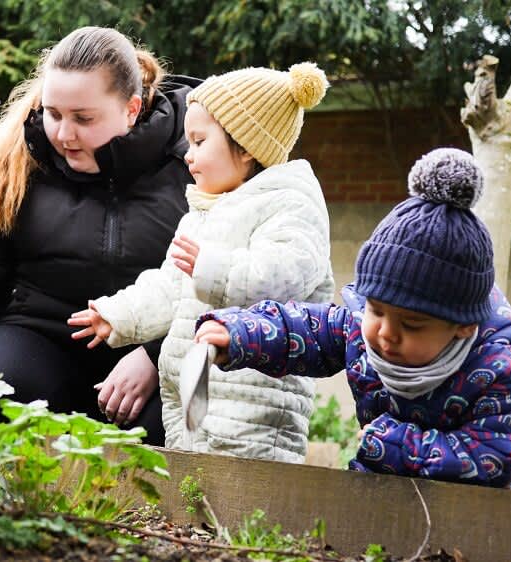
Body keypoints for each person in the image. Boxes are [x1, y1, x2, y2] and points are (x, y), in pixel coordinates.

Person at [0, 27, 199, 445]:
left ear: (131, 108)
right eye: (53, 113)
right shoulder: (15, 159)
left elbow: (229, 278)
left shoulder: (196, 155)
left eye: (84, 118)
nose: (63, 134)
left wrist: (158, 356)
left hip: (153, 348)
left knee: (176, 421)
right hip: (39, 339)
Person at [194, 148, 511, 491]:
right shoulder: (361, 329)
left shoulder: (501, 373)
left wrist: (396, 446)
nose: (385, 332)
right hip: (389, 479)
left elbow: (493, 457)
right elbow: (301, 330)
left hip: (483, 509)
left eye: (410, 325)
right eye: (376, 310)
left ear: (463, 327)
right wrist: (238, 333)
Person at [67, 63, 333, 462]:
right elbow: (171, 285)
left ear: (245, 147)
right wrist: (119, 314)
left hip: (252, 397)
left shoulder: (291, 205)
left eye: (199, 141)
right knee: (194, 491)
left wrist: (213, 267)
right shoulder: (205, 213)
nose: (188, 155)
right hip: (194, 391)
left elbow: (283, 275)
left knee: (247, 494)